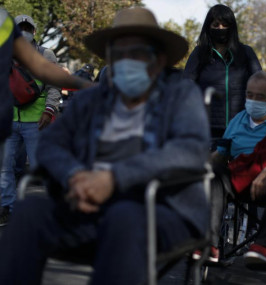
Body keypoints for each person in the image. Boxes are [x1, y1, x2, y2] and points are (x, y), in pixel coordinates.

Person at [0, 7, 210, 284]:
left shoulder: (181, 96)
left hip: (161, 207)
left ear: (158, 58)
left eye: (136, 52)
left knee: (124, 215)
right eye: (118, 53)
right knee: (31, 211)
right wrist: (74, 176)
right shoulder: (94, 98)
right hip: (89, 206)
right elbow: (52, 143)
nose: (126, 61)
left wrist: (114, 179)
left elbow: (190, 150)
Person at [0, 14, 90, 226]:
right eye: (19, 28)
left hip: (37, 120)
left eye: (27, 28)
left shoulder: (45, 54)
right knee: (4, 169)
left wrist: (49, 110)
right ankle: (9, 209)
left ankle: (44, 211)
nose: (23, 32)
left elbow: (54, 85)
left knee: (41, 167)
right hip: (9, 119)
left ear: (34, 32)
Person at [207, 71, 266, 267]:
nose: (252, 100)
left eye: (259, 97)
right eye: (249, 95)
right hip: (241, 180)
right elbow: (222, 153)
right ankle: (208, 243)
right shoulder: (239, 120)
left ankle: (263, 246)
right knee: (213, 175)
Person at [184, 4, 261, 139]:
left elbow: (261, 83)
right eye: (216, 25)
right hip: (207, 129)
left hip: (241, 127)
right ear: (208, 27)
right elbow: (186, 86)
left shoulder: (246, 53)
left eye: (225, 25)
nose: (221, 28)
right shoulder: (199, 54)